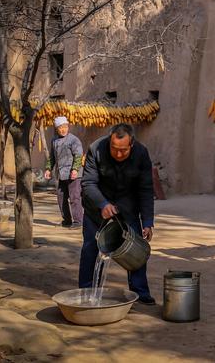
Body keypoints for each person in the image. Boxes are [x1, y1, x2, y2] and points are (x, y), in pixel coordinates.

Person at [79, 123, 156, 305]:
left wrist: (147, 221)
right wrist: (103, 204)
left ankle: (140, 292)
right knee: (90, 248)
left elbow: (145, 189)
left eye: (123, 150)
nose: (118, 154)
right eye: (114, 149)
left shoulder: (141, 154)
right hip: (96, 209)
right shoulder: (96, 149)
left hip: (127, 208)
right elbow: (88, 183)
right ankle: (86, 291)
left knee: (137, 248)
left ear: (132, 145)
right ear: (109, 142)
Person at [44, 116, 84, 229]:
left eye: (65, 127)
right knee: (61, 197)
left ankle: (78, 221)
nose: (63, 129)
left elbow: (78, 155)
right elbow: (52, 157)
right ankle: (66, 220)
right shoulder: (54, 140)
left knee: (74, 197)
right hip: (61, 174)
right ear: (57, 128)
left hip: (73, 174)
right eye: (61, 127)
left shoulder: (73, 140)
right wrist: (48, 169)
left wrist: (75, 169)